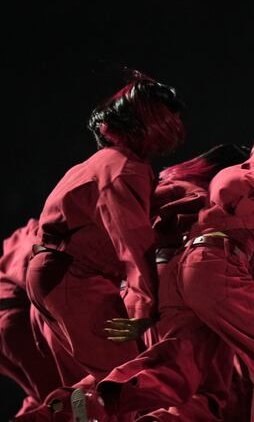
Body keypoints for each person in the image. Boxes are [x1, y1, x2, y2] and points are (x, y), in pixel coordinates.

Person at [69, 107, 254, 422]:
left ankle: (97, 400)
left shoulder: (200, 184)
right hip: (215, 266)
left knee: (190, 376)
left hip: (181, 269)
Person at [16, 75, 185, 421]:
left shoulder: (107, 162)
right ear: (149, 119)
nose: (178, 123)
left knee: (99, 386)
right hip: (73, 278)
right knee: (126, 383)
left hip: (57, 274)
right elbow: (133, 242)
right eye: (169, 114)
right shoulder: (123, 169)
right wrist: (144, 309)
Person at [0, 219, 61, 417]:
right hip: (13, 320)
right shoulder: (38, 232)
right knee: (59, 396)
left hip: (10, 319)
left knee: (43, 395)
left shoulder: (30, 234)